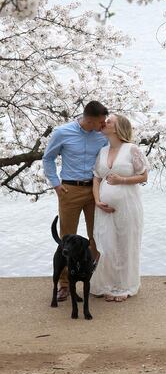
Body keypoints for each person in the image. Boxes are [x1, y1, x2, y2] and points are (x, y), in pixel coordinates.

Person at [42, 100, 109, 301]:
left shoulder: (102, 136)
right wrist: (55, 184)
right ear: (90, 120)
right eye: (101, 122)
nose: (103, 125)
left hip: (95, 190)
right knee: (67, 238)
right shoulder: (63, 132)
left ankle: (95, 281)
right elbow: (48, 158)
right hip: (69, 189)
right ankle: (64, 284)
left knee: (96, 234)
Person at [91, 114, 149, 302]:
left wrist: (121, 180)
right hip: (104, 208)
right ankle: (108, 284)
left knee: (125, 245)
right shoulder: (103, 151)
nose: (104, 123)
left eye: (109, 121)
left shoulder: (131, 149)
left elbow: (143, 176)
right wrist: (97, 200)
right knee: (107, 246)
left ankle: (124, 286)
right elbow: (97, 178)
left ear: (117, 128)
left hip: (128, 205)